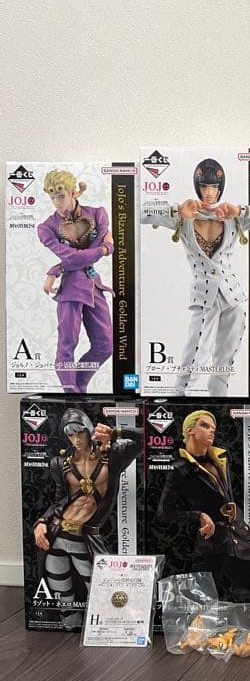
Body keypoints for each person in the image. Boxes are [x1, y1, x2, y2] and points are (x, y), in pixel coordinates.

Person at [141, 158, 250, 396]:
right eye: (204, 186)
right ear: (197, 187)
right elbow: (140, 213)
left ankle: (219, 401)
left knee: (225, 359)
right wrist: (176, 209)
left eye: (213, 187)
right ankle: (179, 398)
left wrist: (241, 210)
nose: (208, 192)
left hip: (232, 296)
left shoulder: (233, 217)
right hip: (204, 297)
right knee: (195, 353)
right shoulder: (184, 216)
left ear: (220, 188)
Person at [32, 409, 142, 629]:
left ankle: (106, 629)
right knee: (63, 597)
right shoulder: (60, 462)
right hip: (56, 535)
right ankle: (70, 628)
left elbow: (147, 439)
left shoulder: (112, 455)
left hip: (85, 537)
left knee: (102, 589)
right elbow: (59, 500)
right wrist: (41, 522)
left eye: (79, 433)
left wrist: (117, 432)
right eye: (70, 435)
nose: (76, 440)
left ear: (89, 430)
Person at [157, 410, 250, 617]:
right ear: (190, 430)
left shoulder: (220, 458)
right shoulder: (181, 469)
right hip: (211, 541)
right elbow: (165, 513)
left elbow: (230, 493)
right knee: (203, 597)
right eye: (204, 425)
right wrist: (198, 516)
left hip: (237, 536)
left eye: (213, 428)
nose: (211, 431)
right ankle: (200, 632)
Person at [37, 169, 114, 393]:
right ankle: (73, 395)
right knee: (67, 345)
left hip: (94, 286)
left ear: (73, 192)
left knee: (105, 345)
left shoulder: (97, 214)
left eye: (61, 196)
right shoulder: (46, 227)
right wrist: (104, 248)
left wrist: (58, 268)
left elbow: (74, 258)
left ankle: (77, 387)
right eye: (52, 197)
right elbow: (73, 256)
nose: (57, 202)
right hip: (70, 289)